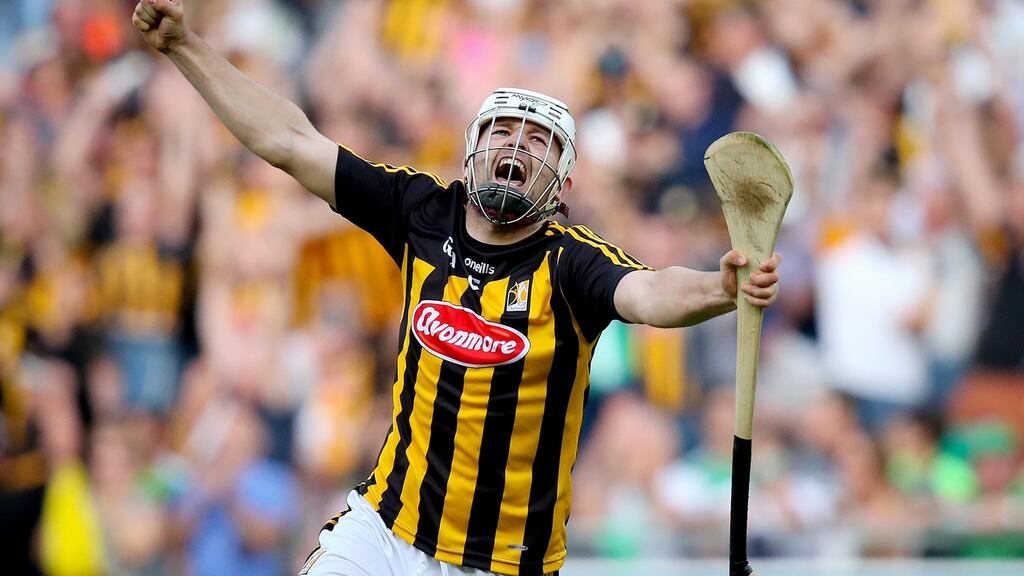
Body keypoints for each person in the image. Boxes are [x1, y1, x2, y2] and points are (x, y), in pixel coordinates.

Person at [131, 2, 782, 575]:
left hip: (503, 561)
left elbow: (650, 295)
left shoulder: (572, 264)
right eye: (505, 131)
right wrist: (187, 47)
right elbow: (288, 141)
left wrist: (719, 289)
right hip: (387, 529)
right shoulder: (420, 210)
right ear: (471, 150)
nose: (519, 147)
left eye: (541, 142)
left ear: (563, 187)